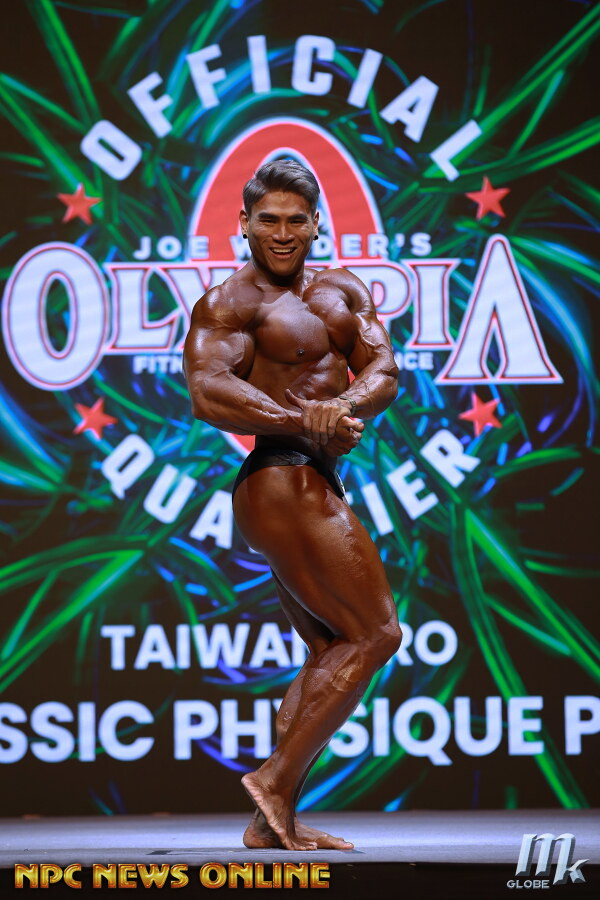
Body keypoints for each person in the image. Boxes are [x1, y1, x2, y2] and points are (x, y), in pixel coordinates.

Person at [183, 159, 402, 852]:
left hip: (311, 477)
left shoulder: (343, 291)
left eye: (295, 221)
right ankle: (274, 783)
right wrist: (302, 419)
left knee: (330, 649)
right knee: (378, 634)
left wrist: (344, 404)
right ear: (244, 224)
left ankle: (270, 821)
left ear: (315, 225)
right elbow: (207, 390)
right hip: (280, 478)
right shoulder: (229, 303)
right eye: (269, 220)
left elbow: (385, 369)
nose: (282, 233)